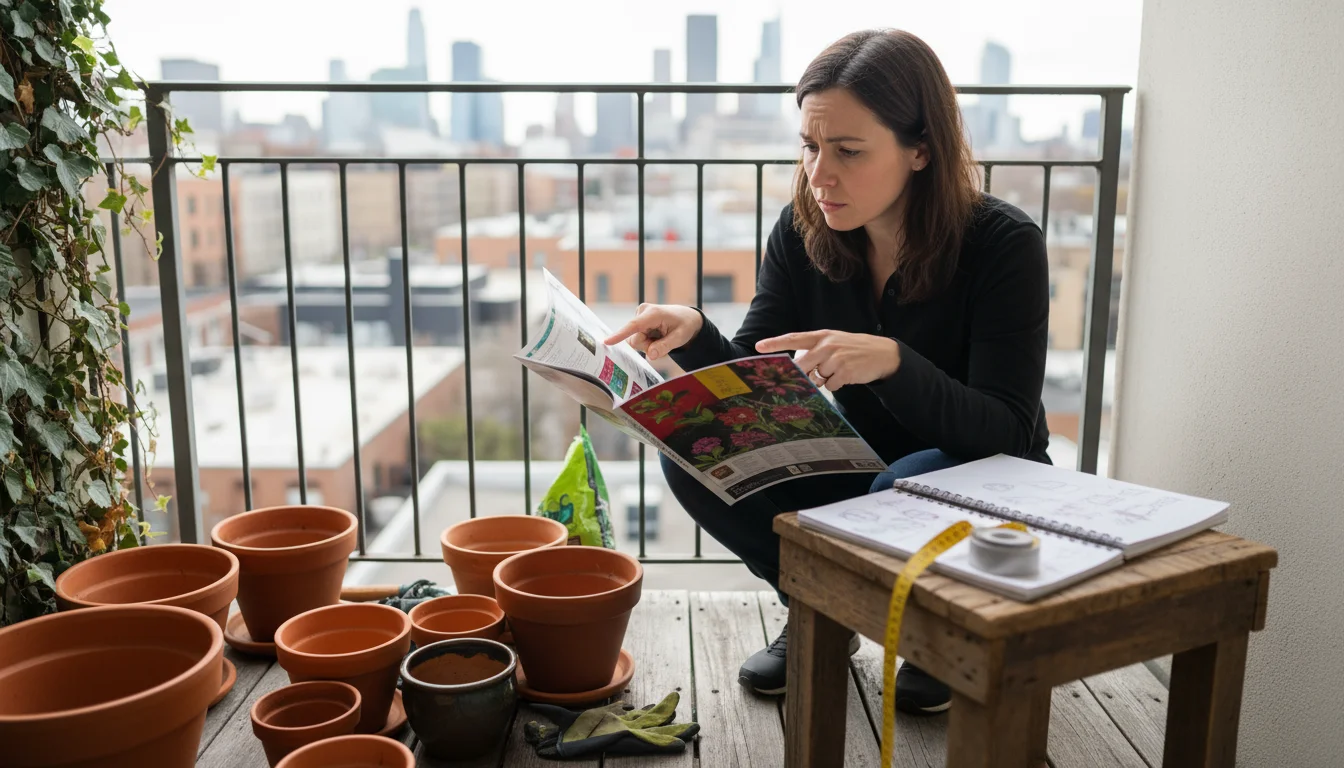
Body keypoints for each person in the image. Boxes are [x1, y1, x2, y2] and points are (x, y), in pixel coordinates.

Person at [604, 29, 1051, 716]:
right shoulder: (802, 229)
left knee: (906, 482)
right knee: (693, 448)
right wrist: (695, 338)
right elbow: (756, 377)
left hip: (976, 475)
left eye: (848, 151)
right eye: (810, 146)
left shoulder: (1003, 244)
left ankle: (939, 633)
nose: (821, 173)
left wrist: (898, 365)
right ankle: (818, 611)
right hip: (867, 468)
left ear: (921, 149)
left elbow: (1010, 431)